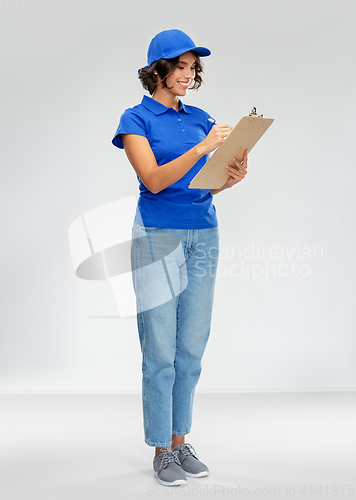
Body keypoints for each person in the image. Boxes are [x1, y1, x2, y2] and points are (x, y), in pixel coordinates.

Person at [112, 29, 248, 487]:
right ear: (158, 70)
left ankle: (179, 441)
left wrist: (230, 177)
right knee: (160, 351)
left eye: (194, 68)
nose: (189, 75)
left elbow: (201, 186)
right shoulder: (136, 119)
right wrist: (204, 147)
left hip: (203, 234)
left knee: (190, 348)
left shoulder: (200, 118)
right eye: (182, 67)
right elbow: (152, 180)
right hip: (157, 236)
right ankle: (159, 451)